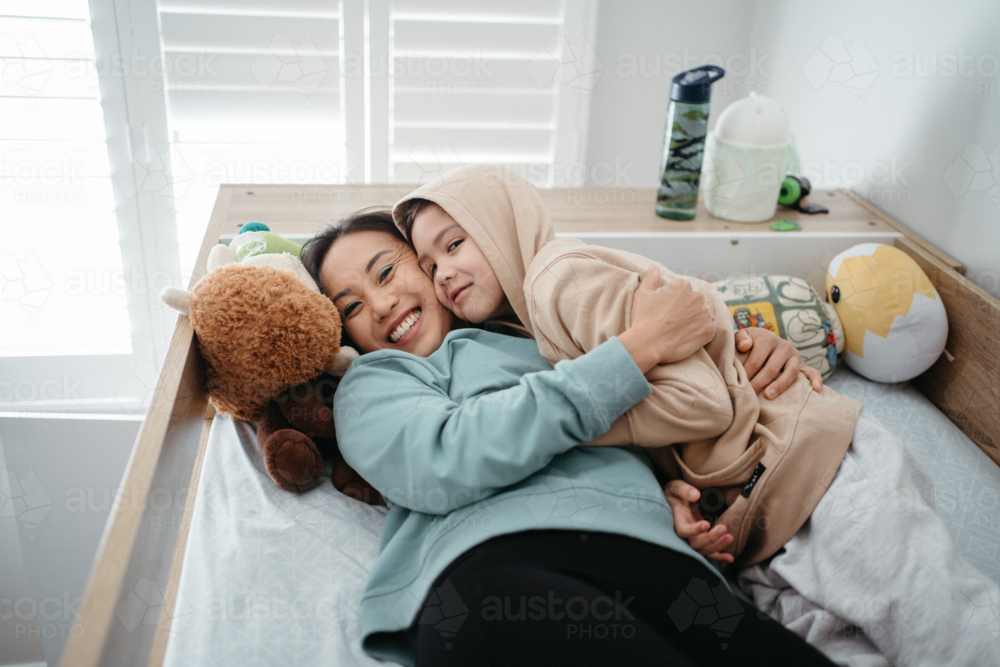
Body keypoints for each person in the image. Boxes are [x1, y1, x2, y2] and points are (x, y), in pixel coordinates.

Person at [391, 164, 1000, 666]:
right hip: (757, 522)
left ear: (502, 226)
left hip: (813, 467)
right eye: (430, 264)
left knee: (945, 627)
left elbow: (699, 400)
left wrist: (578, 437)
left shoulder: (560, 281)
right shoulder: (524, 326)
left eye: (454, 245)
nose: (442, 274)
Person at [301, 211, 835, 667]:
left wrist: (745, 356)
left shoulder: (550, 325)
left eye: (387, 272)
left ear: (428, 264)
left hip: (662, 561)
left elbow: (671, 405)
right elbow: (445, 456)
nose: (379, 304)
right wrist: (635, 349)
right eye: (350, 307)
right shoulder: (377, 383)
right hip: (493, 571)